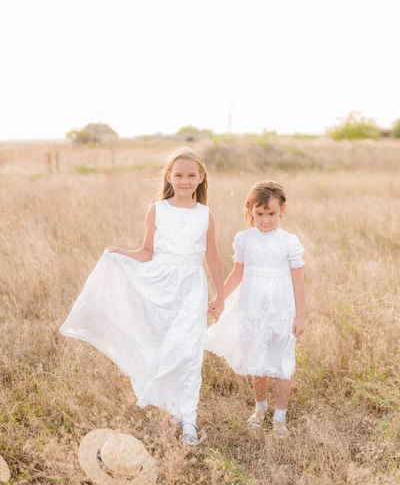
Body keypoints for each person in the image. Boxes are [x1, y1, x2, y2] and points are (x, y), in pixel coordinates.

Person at [60, 147, 224, 446]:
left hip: (191, 286)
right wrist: (122, 255)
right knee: (162, 345)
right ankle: (172, 407)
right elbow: (147, 251)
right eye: (179, 175)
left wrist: (220, 295)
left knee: (189, 353)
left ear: (201, 178)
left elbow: (211, 255)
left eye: (191, 175)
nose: (185, 181)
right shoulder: (157, 210)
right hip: (160, 285)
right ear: (169, 177)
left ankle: (190, 420)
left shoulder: (205, 215)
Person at [206, 181, 306, 437]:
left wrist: (300, 315)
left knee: (281, 361)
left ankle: (280, 416)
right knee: (257, 360)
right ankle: (260, 407)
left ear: (282, 210)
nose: (265, 220)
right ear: (250, 210)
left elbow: (298, 280)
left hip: (282, 310)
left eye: (271, 214)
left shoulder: (289, 242)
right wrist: (220, 299)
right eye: (259, 214)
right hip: (253, 309)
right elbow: (237, 273)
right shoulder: (244, 239)